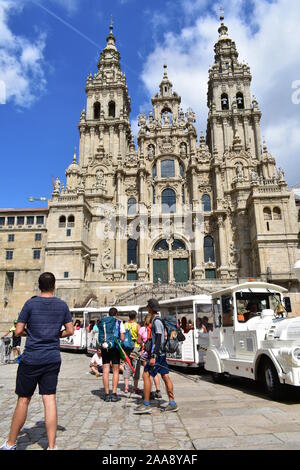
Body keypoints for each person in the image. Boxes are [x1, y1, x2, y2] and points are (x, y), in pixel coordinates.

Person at [0, 272, 74, 451]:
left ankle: (10, 444)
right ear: (54, 285)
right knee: (50, 399)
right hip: (52, 358)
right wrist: (55, 334)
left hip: (32, 358)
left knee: (23, 400)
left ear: (38, 286)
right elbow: (70, 330)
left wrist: (31, 333)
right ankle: (52, 446)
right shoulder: (62, 305)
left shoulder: (30, 304)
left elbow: (18, 331)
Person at [135, 299, 178, 414]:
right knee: (164, 376)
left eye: (148, 306)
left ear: (150, 308)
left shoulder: (156, 321)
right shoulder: (156, 320)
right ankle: (172, 403)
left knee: (146, 375)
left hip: (157, 354)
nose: (147, 308)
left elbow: (158, 338)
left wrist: (153, 355)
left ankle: (146, 403)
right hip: (160, 354)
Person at [98, 307, 125, 403]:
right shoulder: (119, 322)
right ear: (116, 313)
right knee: (115, 371)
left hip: (105, 347)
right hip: (115, 347)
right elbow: (122, 337)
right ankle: (113, 393)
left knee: (105, 370)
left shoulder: (103, 321)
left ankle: (106, 394)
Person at [138, 313, 161, 399]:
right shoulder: (154, 328)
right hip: (154, 352)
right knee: (154, 372)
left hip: (146, 352)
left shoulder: (142, 329)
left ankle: (149, 391)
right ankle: (158, 390)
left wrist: (144, 342)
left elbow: (138, 340)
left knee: (147, 373)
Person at [123, 312, 141, 394]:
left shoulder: (125, 325)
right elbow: (139, 338)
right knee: (136, 365)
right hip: (135, 347)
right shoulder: (137, 325)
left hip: (126, 347)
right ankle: (135, 387)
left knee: (127, 365)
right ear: (135, 316)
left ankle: (126, 387)